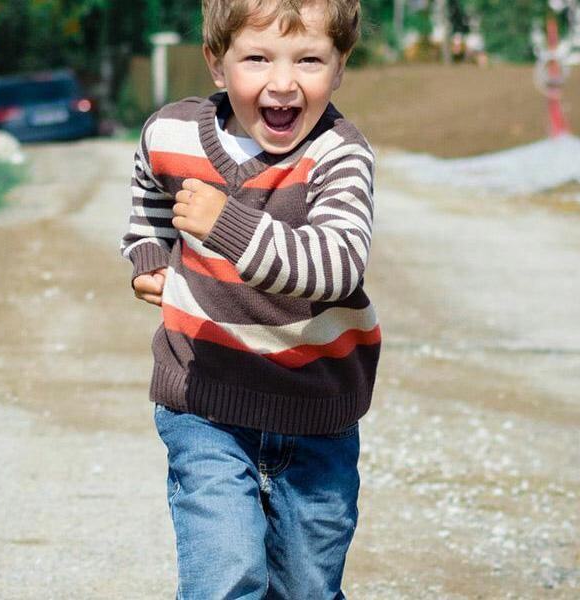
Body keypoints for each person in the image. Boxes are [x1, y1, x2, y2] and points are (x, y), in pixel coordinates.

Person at [119, 0, 380, 597]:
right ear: (217, 63)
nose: (282, 83)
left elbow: (337, 266)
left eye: (309, 59)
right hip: (203, 402)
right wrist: (151, 256)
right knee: (225, 577)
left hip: (315, 408)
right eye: (257, 58)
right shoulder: (172, 132)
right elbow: (149, 192)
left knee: (307, 587)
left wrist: (226, 227)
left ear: (340, 67)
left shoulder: (339, 155)